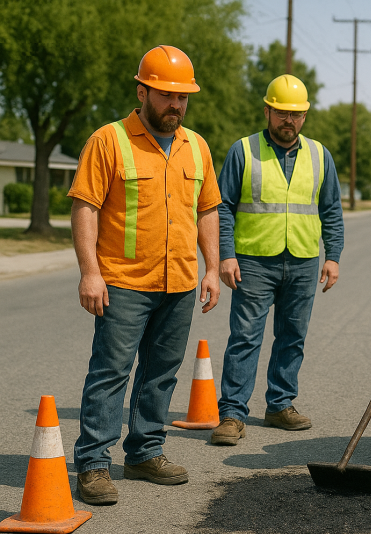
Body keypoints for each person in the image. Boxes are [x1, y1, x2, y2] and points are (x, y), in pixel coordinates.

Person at [69, 45, 222, 505]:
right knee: (111, 373)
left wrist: (212, 267)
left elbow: (208, 209)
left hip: (178, 282)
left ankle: (144, 452)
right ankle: (94, 464)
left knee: (161, 373)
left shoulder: (197, 146)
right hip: (122, 281)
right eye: (166, 95)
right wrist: (90, 273)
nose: (176, 105)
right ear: (143, 92)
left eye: (183, 97)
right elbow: (85, 207)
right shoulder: (109, 140)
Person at [210, 74, 344, 446]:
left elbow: (331, 209)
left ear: (305, 116)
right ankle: (233, 414)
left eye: (297, 114)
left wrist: (333, 256)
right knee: (244, 338)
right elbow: (223, 207)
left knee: (292, 338)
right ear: (268, 111)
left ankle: (280, 404)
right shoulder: (244, 150)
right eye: (283, 113)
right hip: (253, 260)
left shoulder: (320, 155)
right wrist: (226, 255)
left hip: (302, 259)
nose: (290, 120)